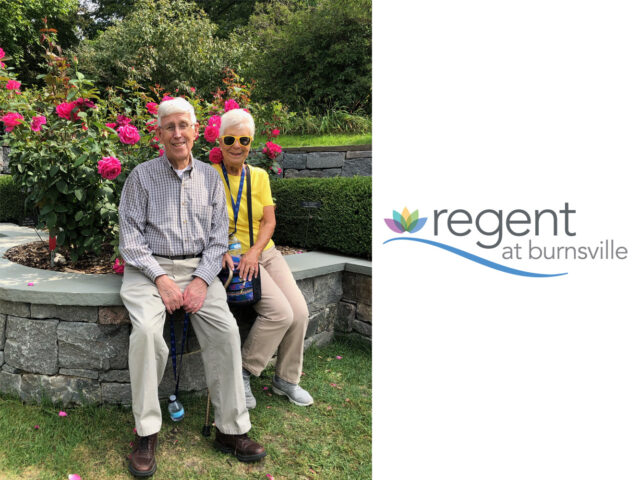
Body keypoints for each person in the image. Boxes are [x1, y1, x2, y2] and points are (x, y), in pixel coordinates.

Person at [118, 97, 266, 478]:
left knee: (226, 331)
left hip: (200, 268)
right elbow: (130, 240)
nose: (178, 133)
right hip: (149, 270)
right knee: (148, 334)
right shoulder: (141, 177)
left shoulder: (210, 178)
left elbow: (220, 238)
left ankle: (230, 430)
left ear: (197, 131)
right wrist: (161, 278)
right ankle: (146, 432)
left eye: (184, 125)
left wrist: (201, 280)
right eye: (170, 126)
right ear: (159, 134)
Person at [212, 108, 313, 410]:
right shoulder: (208, 176)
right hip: (234, 257)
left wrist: (256, 251)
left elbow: (269, 221)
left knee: (300, 312)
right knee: (280, 313)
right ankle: (243, 371)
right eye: (230, 138)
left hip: (263, 252)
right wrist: (225, 252)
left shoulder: (259, 176)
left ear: (251, 142)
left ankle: (286, 379)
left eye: (244, 139)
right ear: (219, 140)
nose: (236, 145)